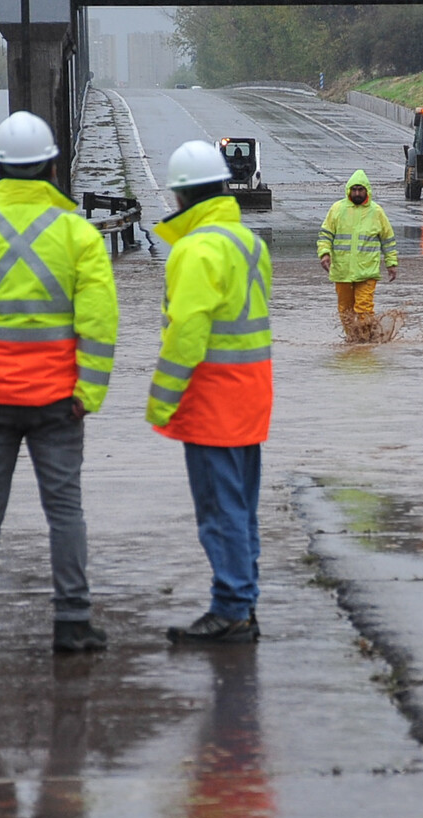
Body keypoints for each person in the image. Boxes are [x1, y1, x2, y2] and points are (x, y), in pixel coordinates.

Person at [0, 110, 119, 654]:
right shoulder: (78, 236)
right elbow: (100, 323)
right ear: (53, 168)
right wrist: (89, 393)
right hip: (60, 401)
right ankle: (73, 622)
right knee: (66, 511)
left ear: (0, 170)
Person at [147, 139, 272, 645]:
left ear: (181, 196)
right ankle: (244, 600)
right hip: (250, 397)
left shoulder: (195, 249)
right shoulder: (247, 242)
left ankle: (232, 610)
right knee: (241, 507)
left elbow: (188, 333)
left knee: (220, 512)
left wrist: (161, 397)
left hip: (213, 401)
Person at [316, 169, 397, 340]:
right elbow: (325, 235)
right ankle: (352, 339)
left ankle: (365, 341)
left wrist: (391, 263)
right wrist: (324, 254)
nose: (357, 193)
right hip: (342, 271)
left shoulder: (377, 212)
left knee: (364, 307)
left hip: (367, 271)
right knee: (345, 311)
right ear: (349, 191)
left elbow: (387, 239)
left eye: (361, 190)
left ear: (367, 190)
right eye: (354, 190)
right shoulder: (337, 209)